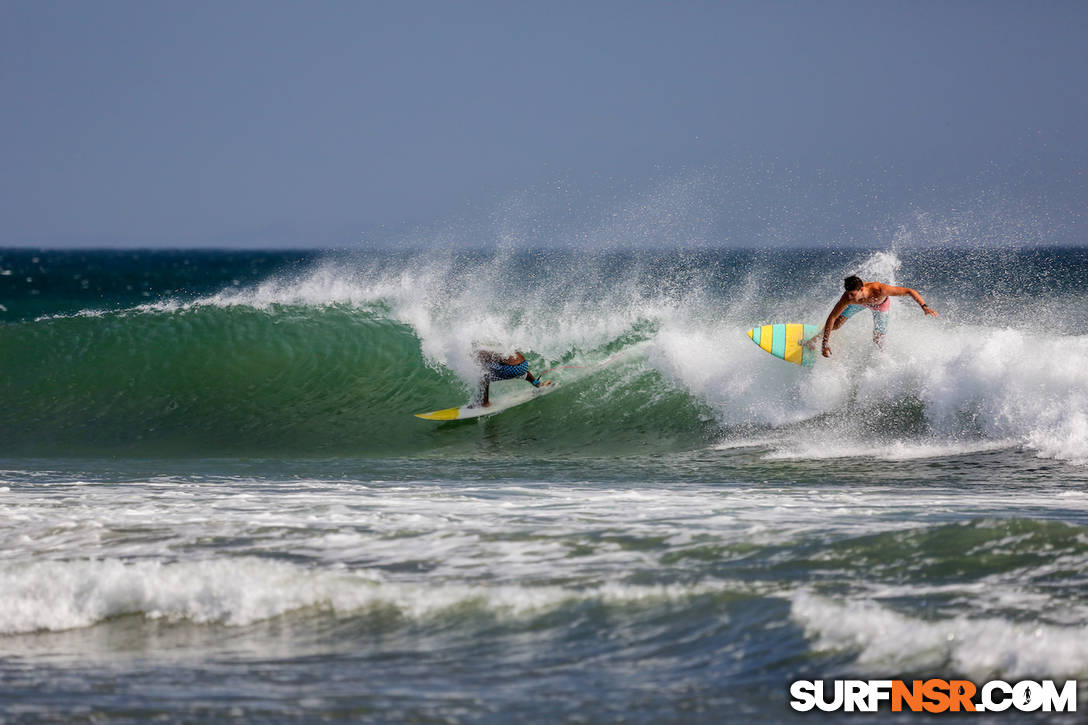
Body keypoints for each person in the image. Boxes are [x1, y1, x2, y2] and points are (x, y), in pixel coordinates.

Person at [810, 275, 938, 357]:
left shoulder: (880, 290)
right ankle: (813, 341)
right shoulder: (848, 298)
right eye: (848, 294)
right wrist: (825, 343)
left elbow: (909, 291)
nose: (849, 298)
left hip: (880, 306)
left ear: (861, 289)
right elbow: (832, 317)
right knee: (836, 324)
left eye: (852, 295)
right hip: (859, 304)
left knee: (878, 339)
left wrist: (924, 306)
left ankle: (882, 359)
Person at [470, 348, 550, 407]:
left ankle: (485, 403)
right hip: (524, 365)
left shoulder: (481, 353)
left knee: (484, 378)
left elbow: (485, 368)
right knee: (525, 374)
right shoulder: (501, 345)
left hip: (511, 369)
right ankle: (538, 384)